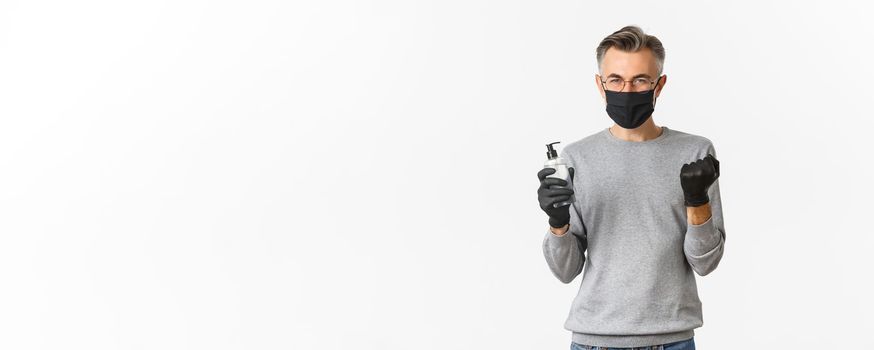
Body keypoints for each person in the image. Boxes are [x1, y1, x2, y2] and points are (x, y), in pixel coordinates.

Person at [537, 25, 724, 350]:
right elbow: (565, 271)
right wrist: (557, 224)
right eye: (615, 80)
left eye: (640, 80)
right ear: (600, 84)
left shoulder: (694, 154)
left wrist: (697, 203)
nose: (627, 89)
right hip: (593, 339)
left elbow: (705, 263)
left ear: (659, 85)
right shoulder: (576, 158)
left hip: (672, 339)